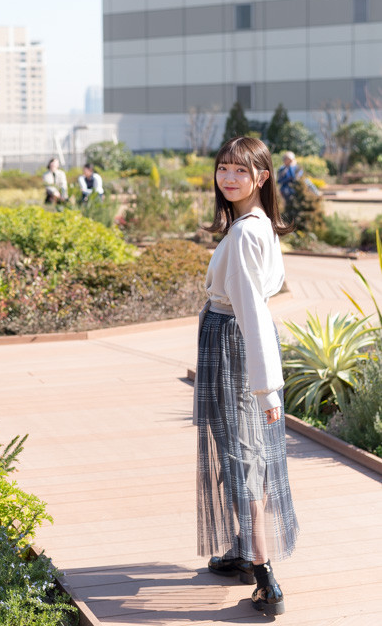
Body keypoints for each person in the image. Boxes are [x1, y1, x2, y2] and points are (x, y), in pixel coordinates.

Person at [193, 136, 299, 617]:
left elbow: (252, 313)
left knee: (242, 455)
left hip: (232, 342)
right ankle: (242, 550)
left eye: (241, 170)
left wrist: (266, 389)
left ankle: (264, 575)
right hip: (237, 340)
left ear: (262, 176)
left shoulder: (242, 235)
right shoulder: (260, 225)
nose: (229, 178)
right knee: (243, 448)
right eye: (223, 168)